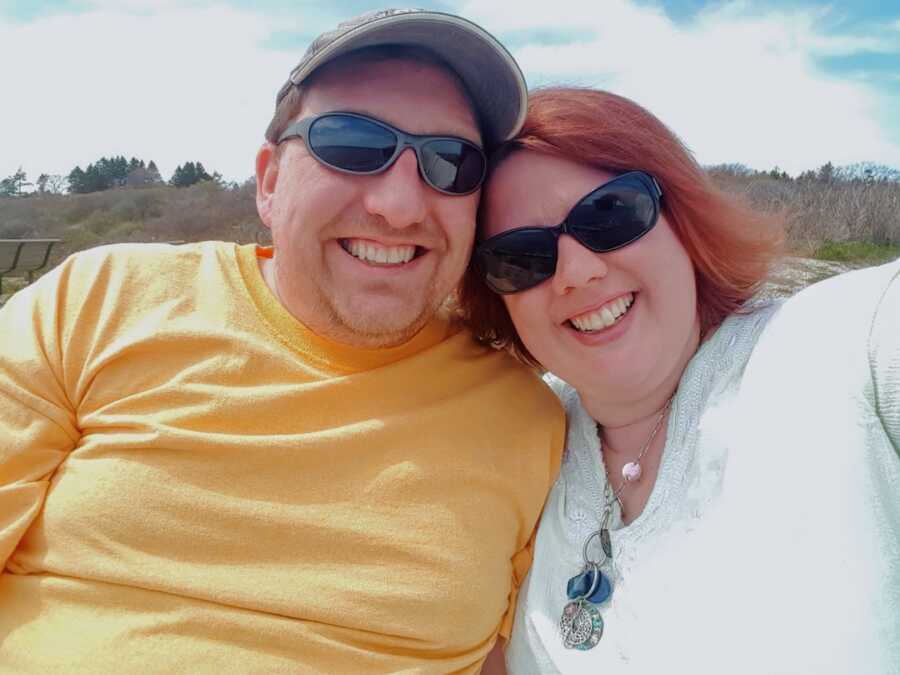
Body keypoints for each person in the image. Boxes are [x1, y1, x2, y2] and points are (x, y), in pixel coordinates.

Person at [0, 10, 564, 673]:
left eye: (452, 162)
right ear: (269, 181)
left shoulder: (527, 421)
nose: (400, 204)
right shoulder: (94, 303)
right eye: (353, 143)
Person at [460, 87, 900, 674]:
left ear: (683, 220)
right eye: (522, 258)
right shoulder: (511, 448)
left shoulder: (842, 345)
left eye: (610, 214)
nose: (577, 272)